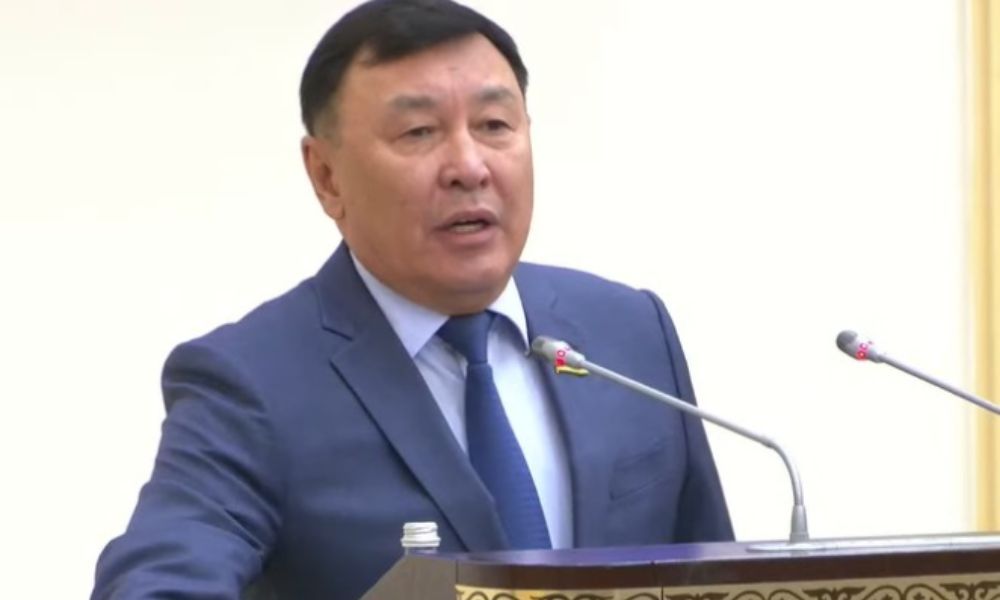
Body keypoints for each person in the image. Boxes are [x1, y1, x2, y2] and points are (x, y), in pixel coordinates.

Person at [91, 0, 733, 598]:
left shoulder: (629, 331)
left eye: (494, 125)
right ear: (326, 176)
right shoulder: (250, 384)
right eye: (419, 132)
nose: (469, 166)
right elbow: (161, 581)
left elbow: (713, 575)